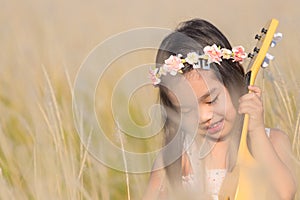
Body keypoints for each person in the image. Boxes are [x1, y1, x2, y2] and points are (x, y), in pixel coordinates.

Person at [144, 19, 297, 199]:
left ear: (233, 81)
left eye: (211, 100)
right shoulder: (176, 158)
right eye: (187, 110)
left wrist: (256, 132)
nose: (204, 116)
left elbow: (285, 193)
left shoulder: (273, 141)